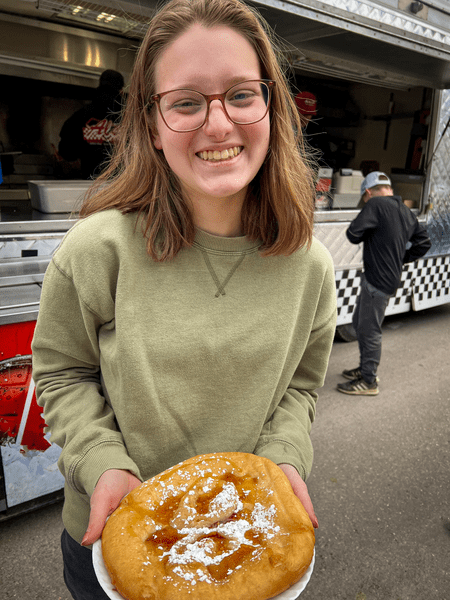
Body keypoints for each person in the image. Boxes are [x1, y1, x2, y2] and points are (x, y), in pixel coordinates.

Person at [32, 1, 337, 598]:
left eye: (241, 95)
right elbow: (61, 373)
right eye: (187, 102)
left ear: (272, 107)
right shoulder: (99, 249)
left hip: (243, 542)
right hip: (118, 539)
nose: (218, 125)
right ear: (152, 123)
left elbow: (300, 385)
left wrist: (283, 458)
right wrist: (102, 462)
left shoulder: (310, 266)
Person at [337, 171, 431, 396]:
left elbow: (353, 234)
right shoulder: (405, 211)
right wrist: (402, 258)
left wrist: (368, 222)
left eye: (364, 199)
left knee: (369, 330)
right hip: (387, 279)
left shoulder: (375, 205)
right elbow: (424, 243)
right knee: (360, 322)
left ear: (368, 192)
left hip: (376, 281)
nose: (365, 202)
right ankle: (364, 368)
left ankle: (369, 381)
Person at [58, 69, 124, 179]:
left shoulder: (80, 116)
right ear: (121, 90)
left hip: (89, 186)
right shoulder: (131, 117)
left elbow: (65, 151)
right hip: (123, 187)